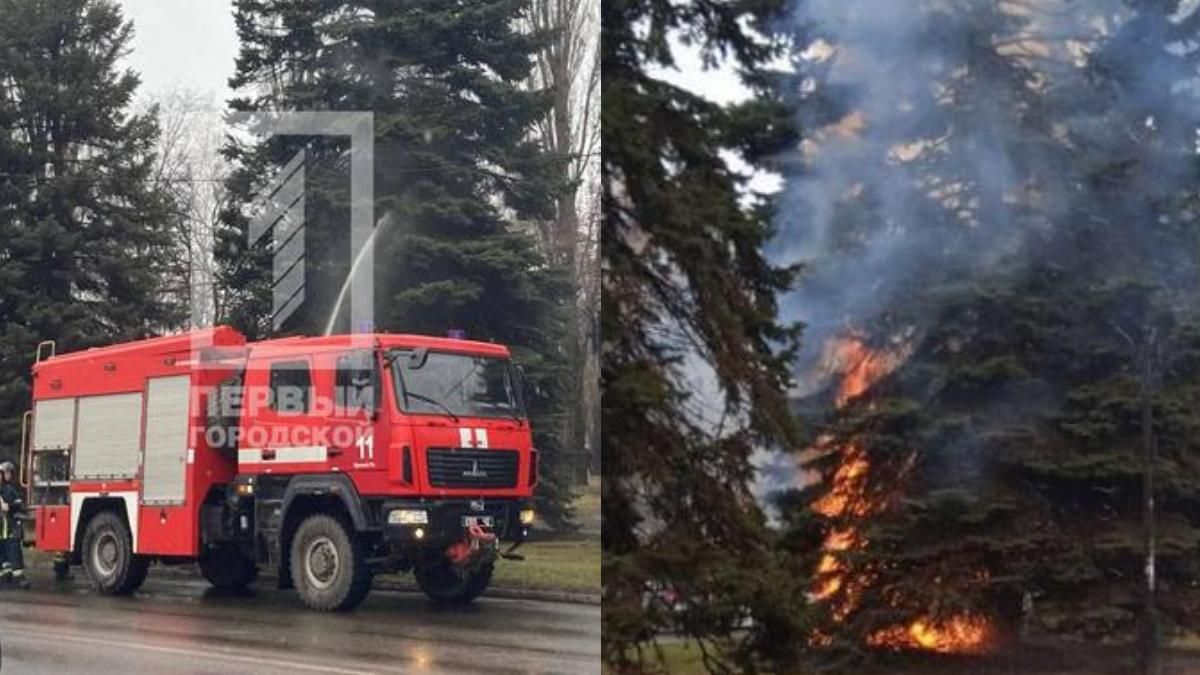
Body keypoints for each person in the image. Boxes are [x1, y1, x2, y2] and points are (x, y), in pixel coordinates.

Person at [0, 461, 29, 589]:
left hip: (11, 526)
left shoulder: (10, 490)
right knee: (3, 555)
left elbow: (19, 505)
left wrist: (9, 507)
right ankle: (5, 576)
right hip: (2, 529)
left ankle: (19, 578)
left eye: (6, 472)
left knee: (14, 552)